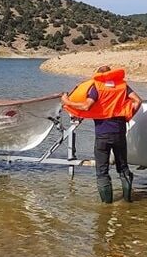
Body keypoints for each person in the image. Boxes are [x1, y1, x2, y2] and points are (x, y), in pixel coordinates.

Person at [61, 66, 142, 203]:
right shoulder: (122, 86)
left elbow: (86, 106)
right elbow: (138, 101)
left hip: (102, 135)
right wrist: (128, 115)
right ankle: (128, 200)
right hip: (119, 133)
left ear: (99, 75)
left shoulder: (97, 87)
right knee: (123, 167)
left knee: (102, 172)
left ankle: (107, 206)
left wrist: (67, 102)